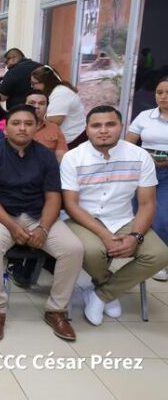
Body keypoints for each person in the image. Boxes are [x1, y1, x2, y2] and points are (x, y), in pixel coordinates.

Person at [0, 105, 83, 341]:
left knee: (73, 248)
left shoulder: (46, 155)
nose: (22, 128)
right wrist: (14, 227)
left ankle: (56, 310)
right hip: (1, 216)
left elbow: (53, 196)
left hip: (39, 215)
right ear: (6, 128)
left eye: (28, 123)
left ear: (36, 127)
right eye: (16, 123)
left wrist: (44, 228)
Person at [61, 106, 168, 326]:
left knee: (159, 254)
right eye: (96, 125)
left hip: (123, 218)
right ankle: (108, 288)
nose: (103, 130)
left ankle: (102, 294)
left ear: (121, 127)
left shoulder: (139, 156)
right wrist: (105, 235)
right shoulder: (73, 157)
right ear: (87, 129)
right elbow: (71, 205)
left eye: (110, 124)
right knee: (92, 251)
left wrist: (135, 236)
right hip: (84, 219)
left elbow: (147, 204)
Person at [126, 76, 168, 280]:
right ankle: (142, 256)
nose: (163, 97)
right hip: (144, 168)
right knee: (138, 213)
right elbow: (129, 142)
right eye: (160, 93)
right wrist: (144, 156)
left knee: (162, 217)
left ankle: (160, 261)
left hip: (167, 172)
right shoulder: (145, 116)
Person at [30, 64, 87, 148]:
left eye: (34, 83)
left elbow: (53, 122)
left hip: (73, 140)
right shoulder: (56, 92)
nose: (32, 87)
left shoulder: (61, 94)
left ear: (46, 83)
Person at [25, 90, 67, 162]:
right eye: (32, 103)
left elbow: (61, 157)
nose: (36, 106)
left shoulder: (54, 128)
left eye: (41, 103)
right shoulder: (13, 126)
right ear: (24, 105)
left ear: (47, 107)